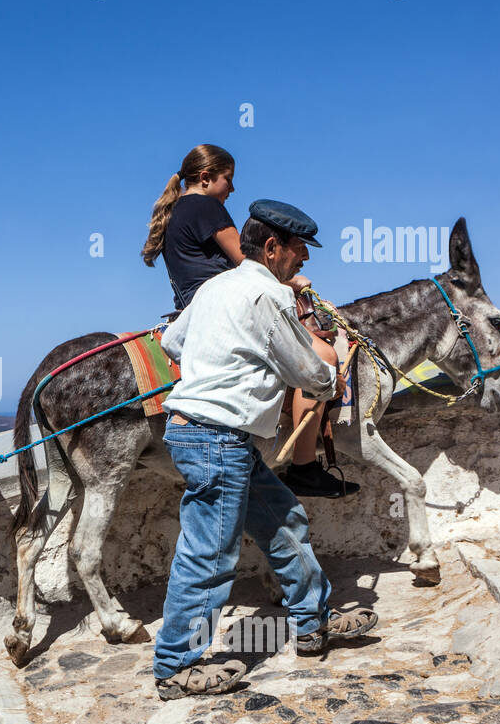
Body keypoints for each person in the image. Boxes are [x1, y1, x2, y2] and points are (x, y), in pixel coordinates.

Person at [151, 200, 379, 700]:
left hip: (209, 435)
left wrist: (221, 361)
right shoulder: (266, 295)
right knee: (209, 556)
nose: (304, 260)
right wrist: (330, 371)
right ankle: (174, 667)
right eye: (300, 249)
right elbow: (306, 371)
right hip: (218, 438)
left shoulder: (215, 287)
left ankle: (311, 621)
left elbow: (171, 342)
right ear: (273, 248)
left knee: (283, 520)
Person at [141, 146, 357, 497]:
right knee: (326, 356)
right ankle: (304, 466)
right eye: (228, 179)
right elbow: (248, 260)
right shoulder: (207, 206)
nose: (232, 189)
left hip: (192, 308)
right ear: (206, 178)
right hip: (230, 305)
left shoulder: (176, 210)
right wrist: (290, 284)